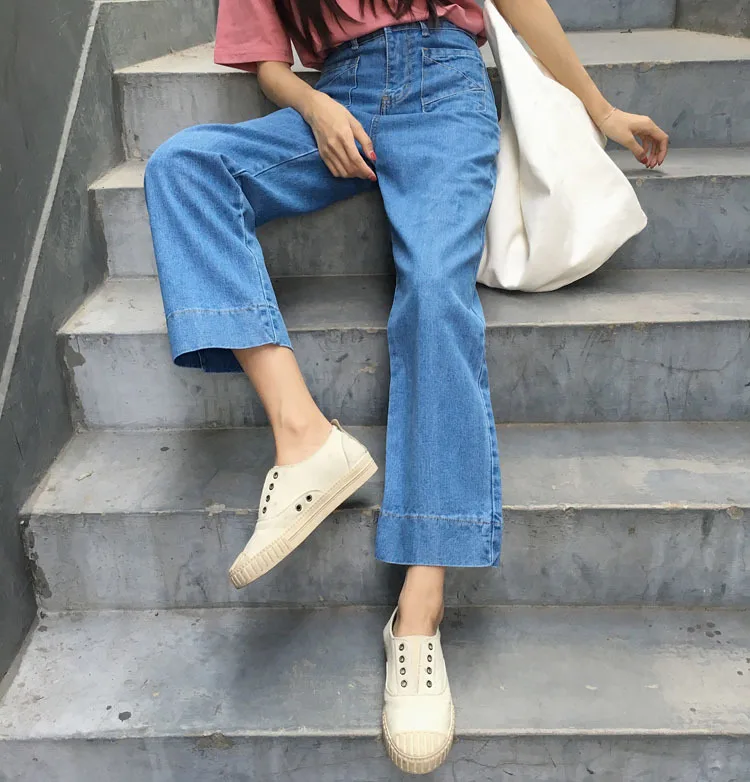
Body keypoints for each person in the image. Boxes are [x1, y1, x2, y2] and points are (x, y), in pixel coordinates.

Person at [143, 0, 669, 773]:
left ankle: (419, 617)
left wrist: (600, 108)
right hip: (339, 94)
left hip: (446, 87)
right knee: (183, 167)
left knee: (433, 295)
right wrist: (315, 104)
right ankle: (304, 436)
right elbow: (266, 60)